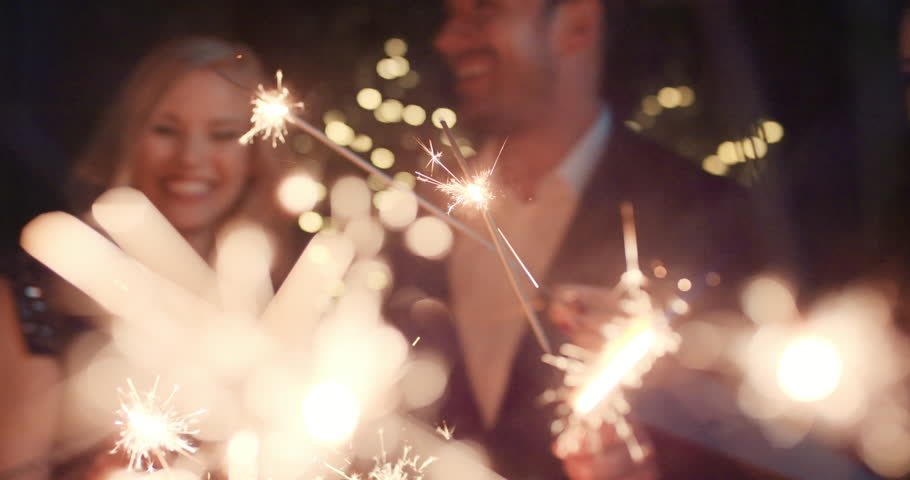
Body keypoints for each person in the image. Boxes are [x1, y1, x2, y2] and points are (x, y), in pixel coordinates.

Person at [388, 0, 774, 479]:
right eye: (451, 15)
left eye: (483, 12)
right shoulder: (415, 216)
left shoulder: (708, 219)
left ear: (576, 24)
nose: (448, 39)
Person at [0, 36, 296, 479]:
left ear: (256, 153)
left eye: (222, 134)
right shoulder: (43, 287)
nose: (191, 158)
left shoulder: (287, 294)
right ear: (128, 139)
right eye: (165, 130)